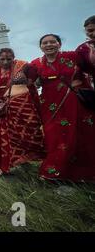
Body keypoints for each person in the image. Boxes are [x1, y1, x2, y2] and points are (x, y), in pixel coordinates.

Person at [26, 34, 95, 182]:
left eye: (53, 42)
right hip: (51, 106)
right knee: (54, 136)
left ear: (59, 44)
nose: (49, 45)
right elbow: (28, 82)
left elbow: (91, 66)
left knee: (81, 135)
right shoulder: (36, 63)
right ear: (40, 47)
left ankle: (84, 174)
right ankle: (55, 172)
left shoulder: (74, 56)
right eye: (45, 43)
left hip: (77, 103)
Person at [0, 48, 45, 177]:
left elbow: (36, 81)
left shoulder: (23, 66)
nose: (5, 62)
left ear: (13, 58)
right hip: (3, 107)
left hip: (23, 105)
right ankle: (5, 165)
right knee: (5, 136)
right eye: (2, 59)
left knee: (26, 133)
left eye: (8, 59)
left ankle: (22, 160)